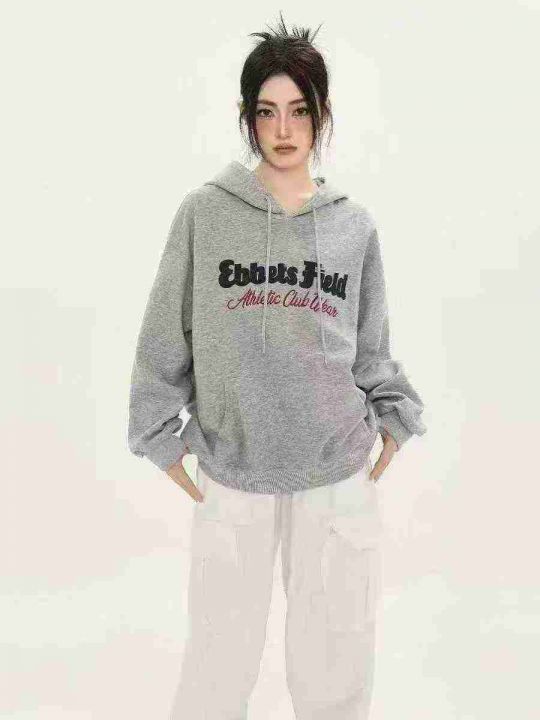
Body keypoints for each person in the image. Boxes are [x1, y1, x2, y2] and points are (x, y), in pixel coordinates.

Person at [128, 12, 426, 720]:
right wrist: (158, 434)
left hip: (337, 468)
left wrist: (393, 418)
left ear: (322, 115)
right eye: (267, 112)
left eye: (299, 110)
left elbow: (370, 343)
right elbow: (165, 331)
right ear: (247, 118)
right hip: (233, 467)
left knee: (335, 665)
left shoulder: (353, 225)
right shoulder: (205, 214)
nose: (284, 129)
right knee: (217, 664)